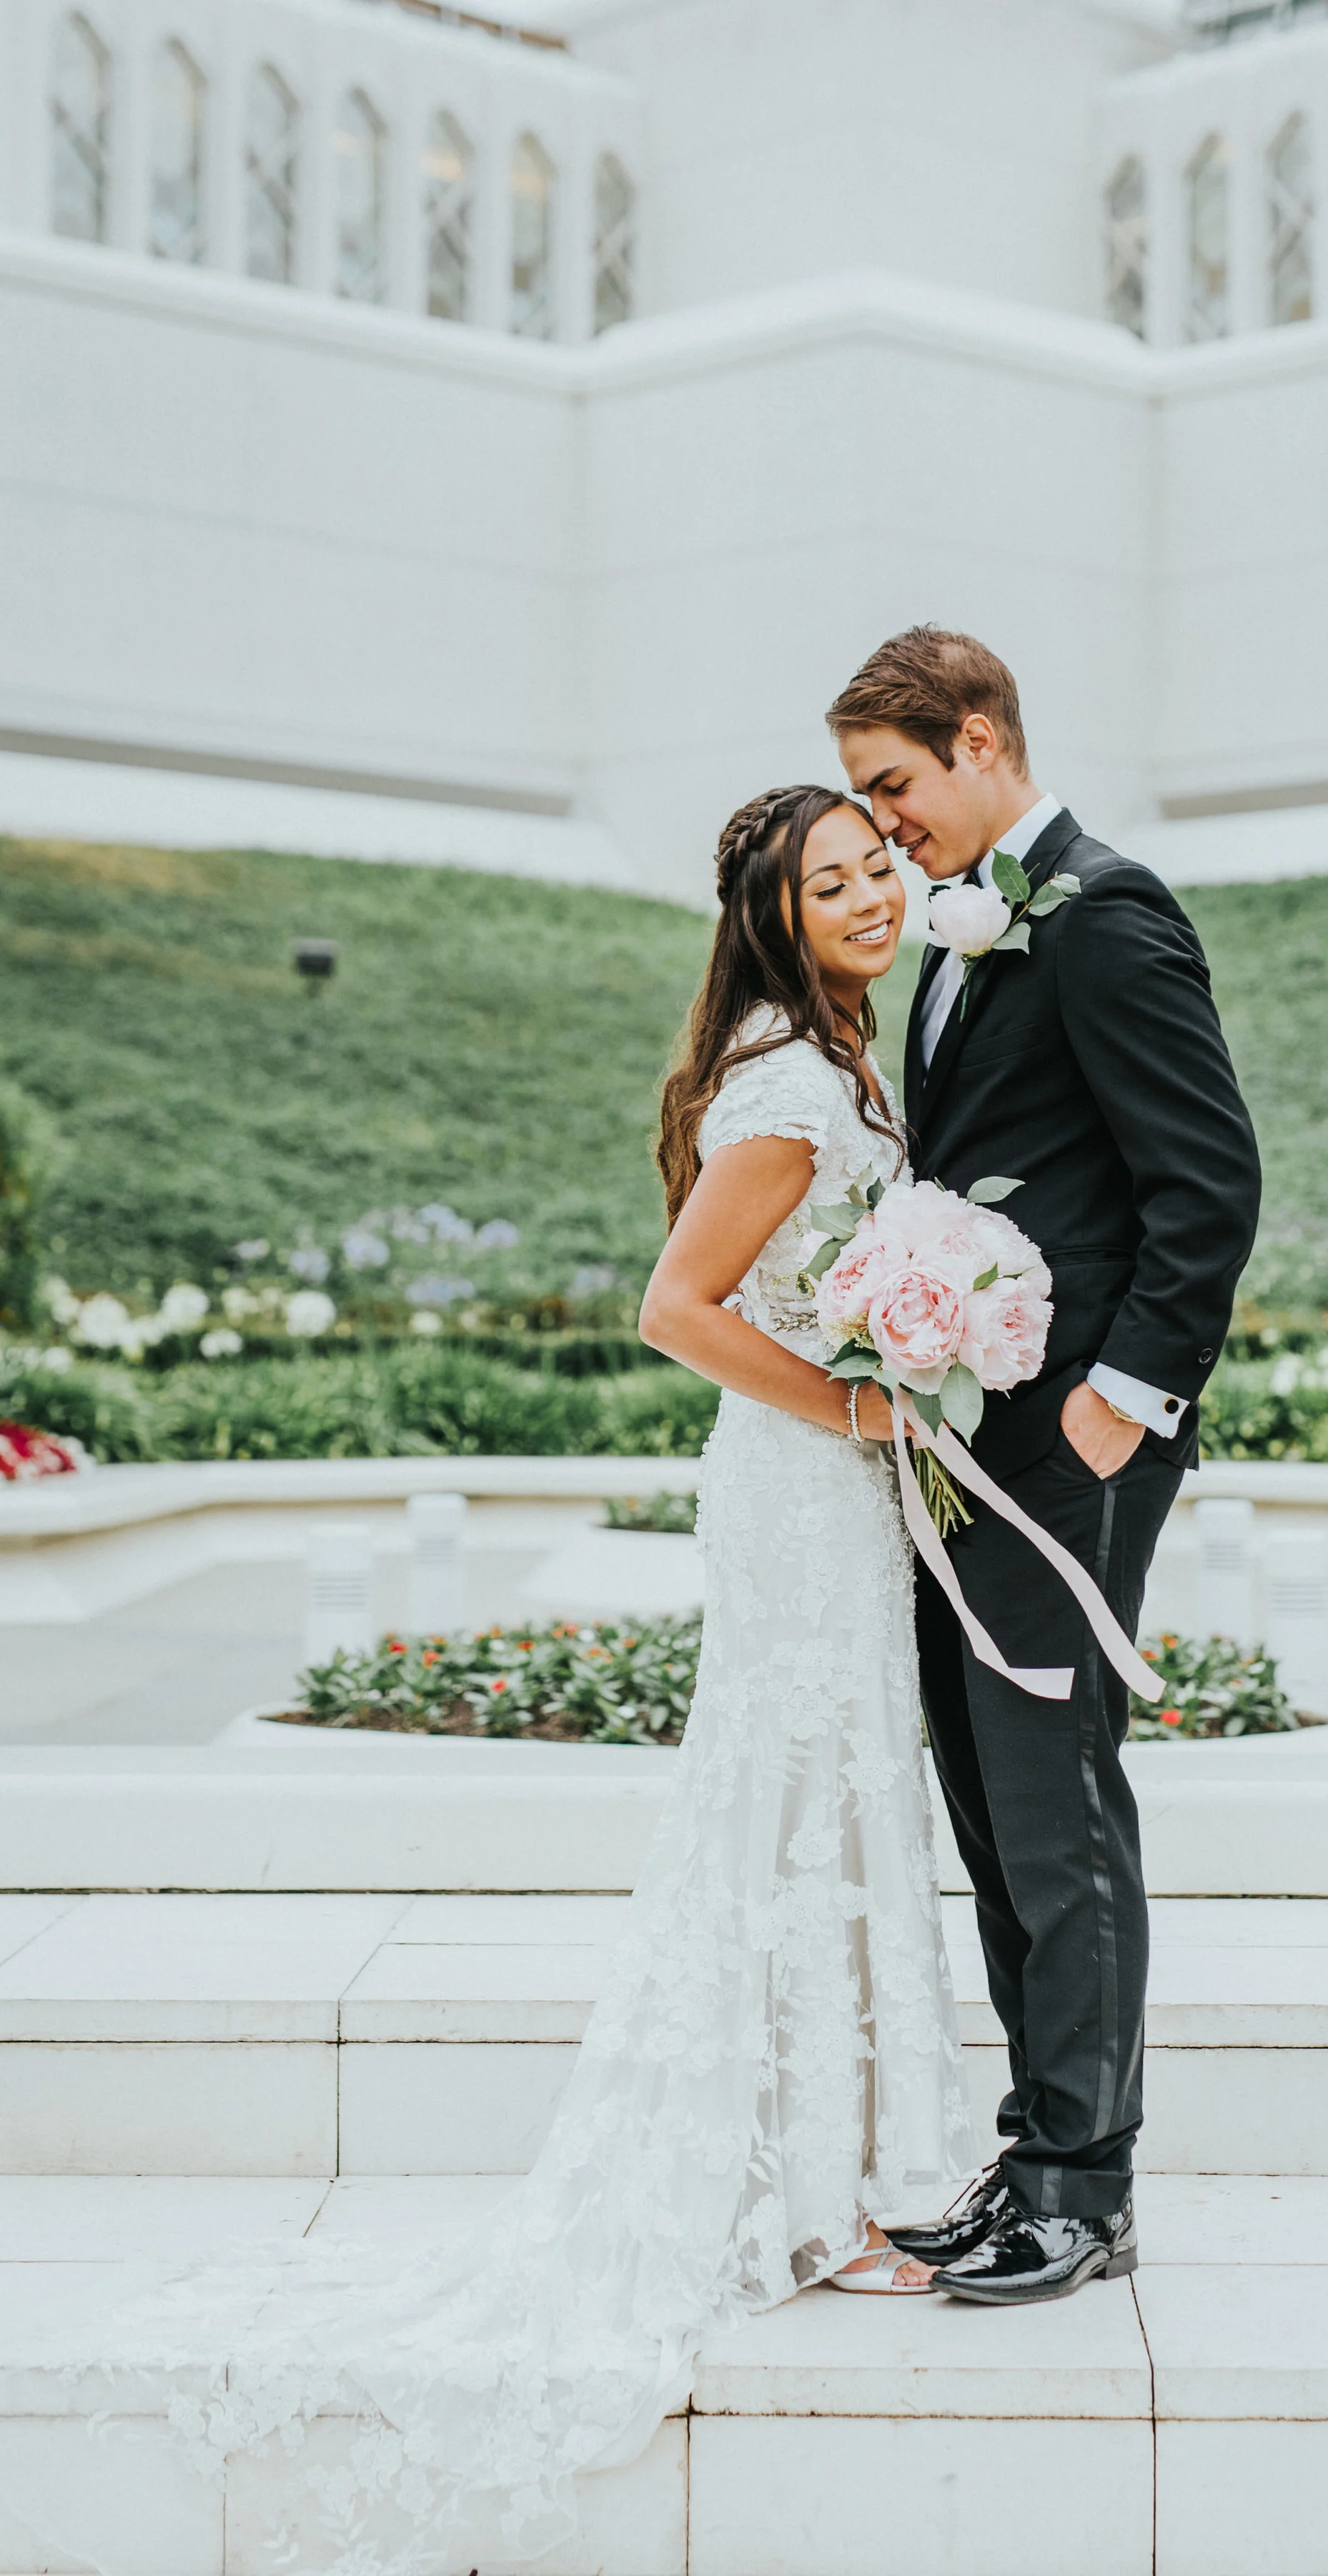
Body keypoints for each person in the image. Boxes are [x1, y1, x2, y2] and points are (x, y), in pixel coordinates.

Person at [1, 784, 976, 2576]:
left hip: (827, 1482)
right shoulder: (781, 1080)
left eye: (875, 869)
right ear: (770, 915)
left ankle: (834, 2178)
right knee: (795, 1797)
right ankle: (817, 2199)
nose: (865, 895)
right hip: (795, 1479)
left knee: (825, 1798)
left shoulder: (835, 1054)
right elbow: (677, 1309)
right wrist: (853, 1395)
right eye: (826, 881)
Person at [830, 627, 1262, 2305]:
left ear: (983, 736)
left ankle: (1088, 2181)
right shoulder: (962, 932)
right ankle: (1033, 2148)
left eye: (896, 787)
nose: (884, 828)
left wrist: (1124, 1395)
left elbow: (1202, 1182)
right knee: (992, 1798)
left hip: (1066, 1450)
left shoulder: (1103, 910)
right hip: (965, 1442)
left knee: (1054, 1793)